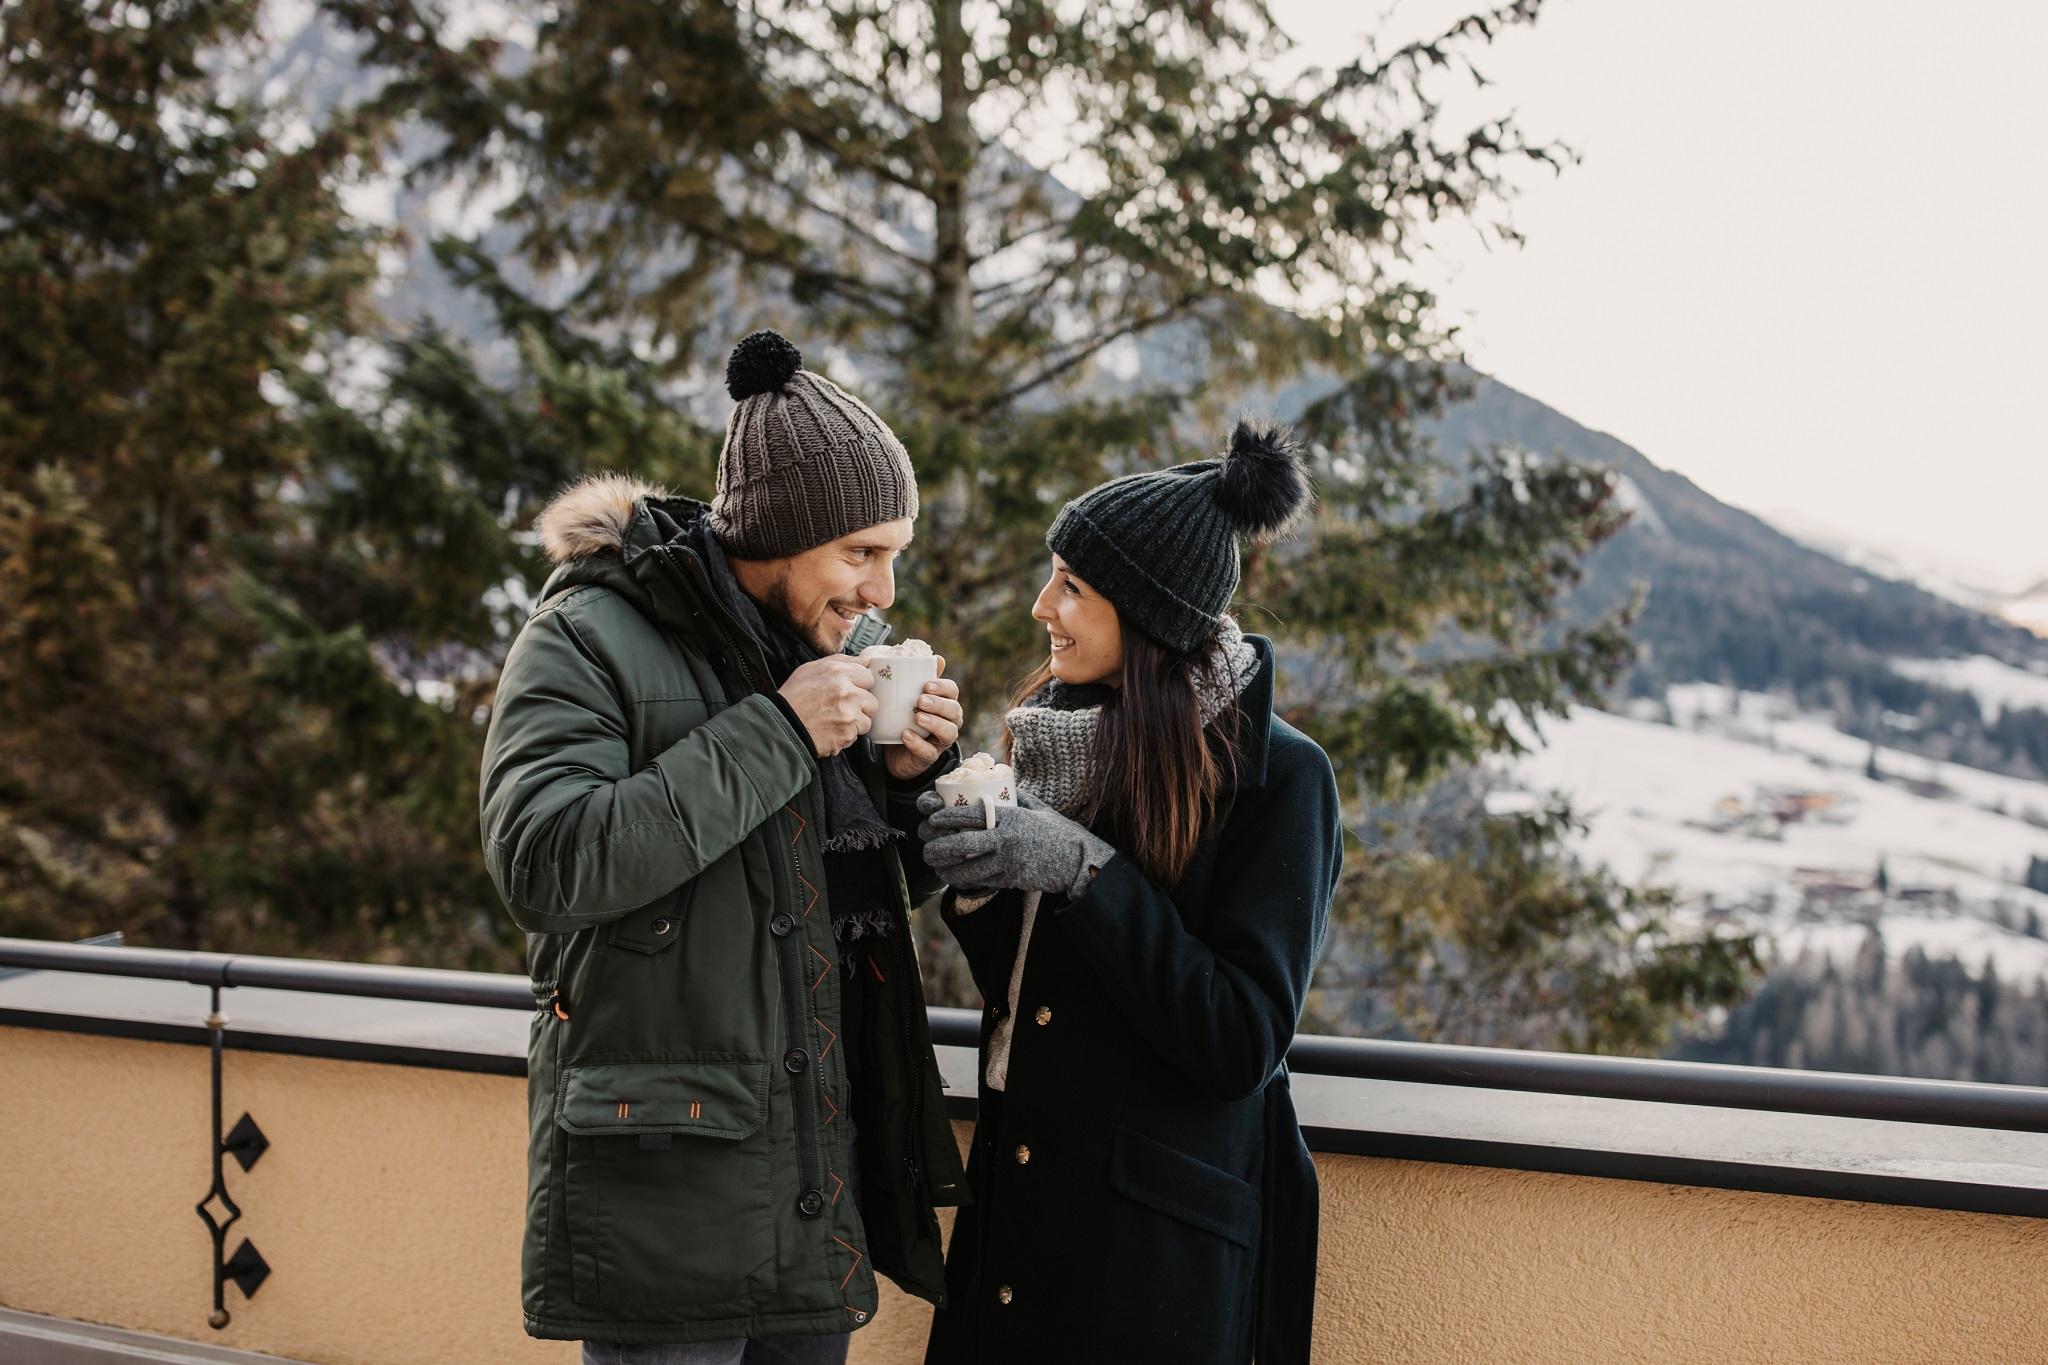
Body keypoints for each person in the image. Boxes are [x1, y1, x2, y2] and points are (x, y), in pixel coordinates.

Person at [480, 330, 969, 1363]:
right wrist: (780, 732)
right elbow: (544, 862)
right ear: (779, 535)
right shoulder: (585, 636)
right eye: (861, 554)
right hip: (666, 1186)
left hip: (814, 1180)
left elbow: (849, 894)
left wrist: (908, 779)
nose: (883, 591)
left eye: (894, 554)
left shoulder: (827, 652)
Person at [916, 419, 1343, 1365]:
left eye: (1072, 585)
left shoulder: (1283, 779)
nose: (1043, 606)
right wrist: (984, 885)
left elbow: (1239, 1037)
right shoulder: (1070, 739)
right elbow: (1038, 1000)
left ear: (1147, 613)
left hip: (1147, 1261)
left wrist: (1082, 868)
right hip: (1016, 1198)